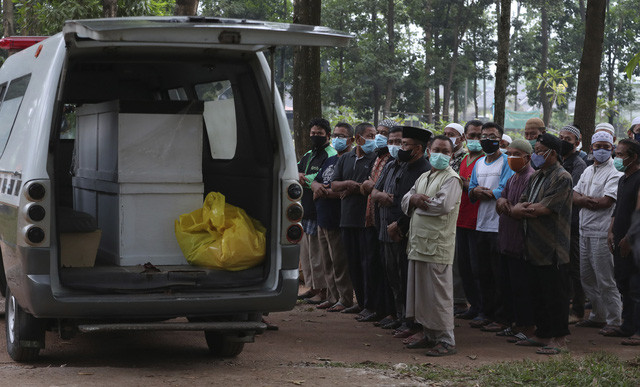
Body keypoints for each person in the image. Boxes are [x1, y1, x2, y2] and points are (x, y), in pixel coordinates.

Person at [510, 133, 573, 355]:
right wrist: (522, 209)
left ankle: (560, 337)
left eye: (538, 151)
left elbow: (544, 208)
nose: (535, 155)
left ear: (552, 153)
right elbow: (519, 203)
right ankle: (543, 333)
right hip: (533, 245)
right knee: (537, 292)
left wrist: (523, 210)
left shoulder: (562, 177)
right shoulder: (536, 176)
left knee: (555, 294)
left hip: (553, 246)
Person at [402, 135, 463, 356]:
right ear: (429, 151)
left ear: (452, 155)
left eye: (445, 151)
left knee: (439, 294)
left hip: (437, 245)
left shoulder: (452, 179)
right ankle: (429, 334)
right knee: (423, 294)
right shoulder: (424, 176)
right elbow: (405, 199)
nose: (441, 155)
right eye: (436, 150)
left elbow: (441, 206)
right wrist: (414, 199)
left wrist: (417, 201)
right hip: (418, 244)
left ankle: (446, 340)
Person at [372, 126, 431, 331]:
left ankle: (410, 321)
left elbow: (413, 205)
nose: (401, 148)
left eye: (405, 144)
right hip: (390, 228)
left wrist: (400, 226)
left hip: (406, 231)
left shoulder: (424, 170)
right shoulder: (403, 166)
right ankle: (399, 315)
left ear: (418, 148)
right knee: (394, 276)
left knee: (407, 278)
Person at [573, 131, 623, 334]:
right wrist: (586, 200)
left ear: (612, 148)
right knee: (587, 277)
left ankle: (615, 320)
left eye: (606, 146)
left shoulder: (615, 174)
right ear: (591, 148)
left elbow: (605, 202)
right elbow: (574, 195)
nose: (601, 150)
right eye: (598, 146)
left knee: (605, 278)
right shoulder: (587, 170)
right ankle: (598, 316)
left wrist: (583, 200)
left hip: (602, 232)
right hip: (584, 230)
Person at [468, 122, 514, 331]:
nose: (487, 139)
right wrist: (476, 191)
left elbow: (504, 189)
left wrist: (484, 193)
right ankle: (485, 312)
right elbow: (471, 188)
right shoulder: (478, 163)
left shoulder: (506, 161)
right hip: (481, 225)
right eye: (484, 136)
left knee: (499, 273)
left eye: (492, 136)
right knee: (481, 272)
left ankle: (502, 316)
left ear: (500, 139)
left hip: (499, 226)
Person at [331, 122, 378, 316]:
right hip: (347, 218)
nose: (373, 140)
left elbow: (372, 186)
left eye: (375, 135)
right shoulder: (345, 158)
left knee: (368, 263)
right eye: (370, 135)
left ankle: (370, 304)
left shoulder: (375, 159)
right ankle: (360, 302)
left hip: (366, 219)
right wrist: (349, 184)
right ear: (358, 138)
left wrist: (354, 188)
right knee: (353, 263)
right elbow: (334, 184)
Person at [312, 122, 355, 312]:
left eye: (342, 135)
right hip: (322, 217)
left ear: (351, 139)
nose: (337, 139)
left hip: (338, 218)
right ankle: (332, 296)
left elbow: (347, 190)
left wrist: (326, 192)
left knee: (339, 262)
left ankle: (345, 298)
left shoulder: (350, 160)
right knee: (327, 261)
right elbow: (317, 182)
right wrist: (316, 187)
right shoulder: (330, 160)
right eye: (335, 135)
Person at [495, 139, 536, 341]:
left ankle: (526, 325)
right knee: (507, 287)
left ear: (527, 157)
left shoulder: (532, 178)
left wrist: (508, 207)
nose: (510, 158)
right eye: (509, 153)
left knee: (523, 288)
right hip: (506, 241)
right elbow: (501, 201)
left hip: (521, 243)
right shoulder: (512, 178)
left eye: (515, 154)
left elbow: (523, 210)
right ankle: (511, 323)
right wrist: (505, 203)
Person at [297, 118, 336, 303]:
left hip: (318, 208)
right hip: (304, 207)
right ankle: (312, 286)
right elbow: (295, 171)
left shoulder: (331, 154)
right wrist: (299, 176)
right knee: (306, 252)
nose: (315, 136)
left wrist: (303, 178)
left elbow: (323, 176)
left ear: (328, 135)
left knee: (317, 253)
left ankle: (323, 290)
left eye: (319, 134)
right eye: (313, 133)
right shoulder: (309, 153)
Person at [607, 139, 640, 345]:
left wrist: (629, 238)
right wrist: (611, 231)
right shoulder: (623, 179)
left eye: (620, 155)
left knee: (637, 287)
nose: (617, 159)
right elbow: (618, 209)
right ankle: (627, 326)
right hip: (619, 240)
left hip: (634, 242)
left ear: (634, 157)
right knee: (624, 284)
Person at [455, 120, 484, 321]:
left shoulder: (484, 160)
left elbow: (478, 187)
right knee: (464, 266)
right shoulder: (464, 159)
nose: (475, 140)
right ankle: (473, 305)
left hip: (477, 221)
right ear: (465, 137)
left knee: (477, 268)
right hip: (460, 219)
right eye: (472, 136)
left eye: (479, 136)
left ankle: (483, 308)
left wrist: (461, 182)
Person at [558, 124, 587, 324]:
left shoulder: (578, 165)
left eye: (568, 139)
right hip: (559, 223)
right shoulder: (559, 160)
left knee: (575, 268)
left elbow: (571, 193)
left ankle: (578, 309)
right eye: (561, 137)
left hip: (573, 223)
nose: (563, 142)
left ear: (577, 143)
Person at [443, 122, 468, 314]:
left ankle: (459, 300)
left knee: (458, 259)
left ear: (461, 138)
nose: (448, 136)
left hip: (460, 212)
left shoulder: (465, 158)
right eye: (445, 133)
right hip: (444, 215)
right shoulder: (445, 157)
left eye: (451, 134)